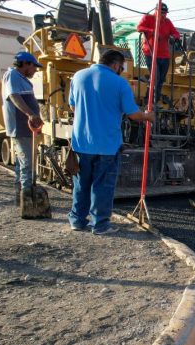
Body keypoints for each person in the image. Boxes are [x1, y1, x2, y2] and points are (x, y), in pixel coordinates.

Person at [67, 50, 154, 235]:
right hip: (107, 144)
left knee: (81, 184)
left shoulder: (78, 76)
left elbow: (73, 106)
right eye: (121, 67)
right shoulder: (119, 83)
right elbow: (133, 114)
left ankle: (77, 220)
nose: (121, 71)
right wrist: (147, 116)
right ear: (115, 65)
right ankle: (100, 225)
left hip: (81, 142)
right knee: (103, 185)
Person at [2, 52, 44, 207]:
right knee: (27, 164)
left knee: (22, 164)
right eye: (34, 67)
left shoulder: (21, 79)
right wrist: (31, 114)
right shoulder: (12, 75)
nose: (35, 71)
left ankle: (20, 198)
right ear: (25, 64)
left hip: (26, 128)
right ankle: (28, 201)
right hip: (21, 128)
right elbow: (14, 96)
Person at [136, 2, 180, 104]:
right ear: (156, 11)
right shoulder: (148, 18)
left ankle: (155, 101)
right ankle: (149, 100)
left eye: (165, 12)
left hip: (164, 55)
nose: (164, 14)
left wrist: (175, 36)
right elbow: (139, 28)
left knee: (161, 80)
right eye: (162, 12)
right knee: (156, 77)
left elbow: (175, 32)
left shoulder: (168, 22)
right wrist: (152, 31)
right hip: (151, 53)